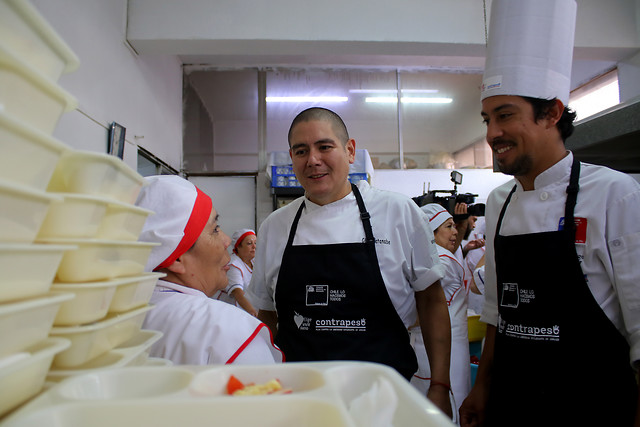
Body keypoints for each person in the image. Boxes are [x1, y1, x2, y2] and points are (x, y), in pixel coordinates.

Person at [460, 1, 639, 425]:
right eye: (487, 119)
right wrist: (481, 389)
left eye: (505, 116)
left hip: (592, 406)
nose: (491, 134)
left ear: (552, 112)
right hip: (513, 403)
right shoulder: (501, 202)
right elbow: (496, 315)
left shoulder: (615, 195)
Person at [248, 107, 453, 417]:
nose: (313, 160)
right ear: (292, 158)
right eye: (301, 151)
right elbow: (267, 316)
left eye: (324, 146)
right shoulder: (275, 227)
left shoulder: (397, 212)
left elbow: (432, 301)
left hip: (385, 400)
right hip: (300, 402)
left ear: (350, 150)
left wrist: (439, 384)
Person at [135, 175, 283, 365]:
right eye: (215, 229)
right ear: (176, 258)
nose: (227, 240)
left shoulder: (117, 315)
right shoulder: (229, 330)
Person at [410, 203, 471, 422]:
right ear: (431, 230)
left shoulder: (439, 257)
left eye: (454, 226)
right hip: (446, 350)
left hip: (439, 350)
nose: (455, 231)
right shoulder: (444, 259)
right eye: (448, 226)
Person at [214, 228, 259, 317]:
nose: (254, 246)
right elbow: (238, 293)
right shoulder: (233, 265)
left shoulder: (254, 261)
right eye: (249, 243)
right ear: (238, 246)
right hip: (231, 313)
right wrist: (254, 313)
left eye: (255, 243)